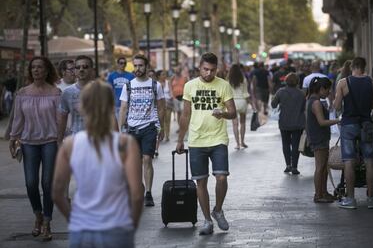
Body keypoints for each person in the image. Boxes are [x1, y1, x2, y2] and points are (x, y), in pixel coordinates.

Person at [52, 80, 144, 248]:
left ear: (81, 107)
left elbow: (57, 192)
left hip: (82, 229)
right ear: (111, 107)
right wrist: (132, 225)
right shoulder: (125, 144)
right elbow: (137, 194)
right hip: (118, 228)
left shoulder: (70, 145)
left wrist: (74, 220)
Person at [176, 52, 236, 235]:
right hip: (196, 140)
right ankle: (207, 221)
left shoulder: (223, 85)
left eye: (212, 70)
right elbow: (185, 115)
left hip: (218, 139)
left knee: (221, 177)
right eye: (205, 69)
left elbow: (232, 113)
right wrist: (180, 140)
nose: (208, 73)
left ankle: (218, 210)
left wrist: (223, 114)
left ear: (216, 69)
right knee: (200, 182)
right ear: (199, 67)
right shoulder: (190, 86)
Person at [8, 56, 61, 241]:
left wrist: (62, 141)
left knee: (47, 183)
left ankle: (47, 222)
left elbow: (60, 120)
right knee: (31, 183)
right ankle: (37, 215)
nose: (36, 70)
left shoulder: (55, 93)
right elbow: (18, 118)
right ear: (30, 71)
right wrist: (14, 137)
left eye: (40, 67)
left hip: (50, 141)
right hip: (28, 142)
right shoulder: (23, 93)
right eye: (33, 68)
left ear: (47, 71)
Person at [118, 54, 165, 207]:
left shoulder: (155, 85)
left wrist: (161, 128)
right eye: (135, 66)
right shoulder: (128, 86)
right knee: (135, 163)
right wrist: (119, 130)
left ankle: (149, 193)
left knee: (147, 159)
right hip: (132, 128)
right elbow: (123, 108)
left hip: (149, 127)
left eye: (141, 66)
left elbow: (161, 107)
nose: (138, 69)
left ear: (147, 67)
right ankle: (139, 187)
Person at [334, 57, 373, 209]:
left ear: (352, 66)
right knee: (369, 161)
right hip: (366, 125)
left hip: (348, 125)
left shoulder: (343, 83)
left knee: (349, 161)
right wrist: (370, 118)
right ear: (365, 66)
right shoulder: (372, 82)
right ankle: (371, 199)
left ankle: (350, 199)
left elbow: (337, 106)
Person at [306, 77, 339, 203]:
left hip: (319, 137)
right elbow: (322, 122)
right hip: (318, 138)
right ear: (321, 89)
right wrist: (338, 120)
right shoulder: (316, 103)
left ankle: (324, 192)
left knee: (324, 167)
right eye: (327, 89)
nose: (329, 92)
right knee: (320, 167)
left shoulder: (313, 100)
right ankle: (318, 195)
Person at [271, 73, 306, 175]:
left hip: (284, 122)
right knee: (296, 145)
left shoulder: (281, 92)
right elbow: (304, 108)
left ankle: (288, 165)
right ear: (297, 82)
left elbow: (273, 105)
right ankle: (295, 167)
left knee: (285, 144)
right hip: (298, 123)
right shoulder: (302, 93)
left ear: (285, 81)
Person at [57, 55, 96, 144]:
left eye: (85, 67)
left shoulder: (101, 89)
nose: (81, 69)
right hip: (76, 140)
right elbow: (62, 119)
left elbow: (111, 116)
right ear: (75, 70)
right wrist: (59, 141)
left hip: (98, 139)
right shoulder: (67, 92)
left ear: (92, 70)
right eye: (77, 67)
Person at [228, 64, 254, 150]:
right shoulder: (243, 79)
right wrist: (251, 104)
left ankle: (237, 144)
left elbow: (227, 93)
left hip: (233, 103)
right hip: (242, 101)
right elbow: (245, 93)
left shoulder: (228, 80)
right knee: (242, 123)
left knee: (235, 124)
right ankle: (242, 142)